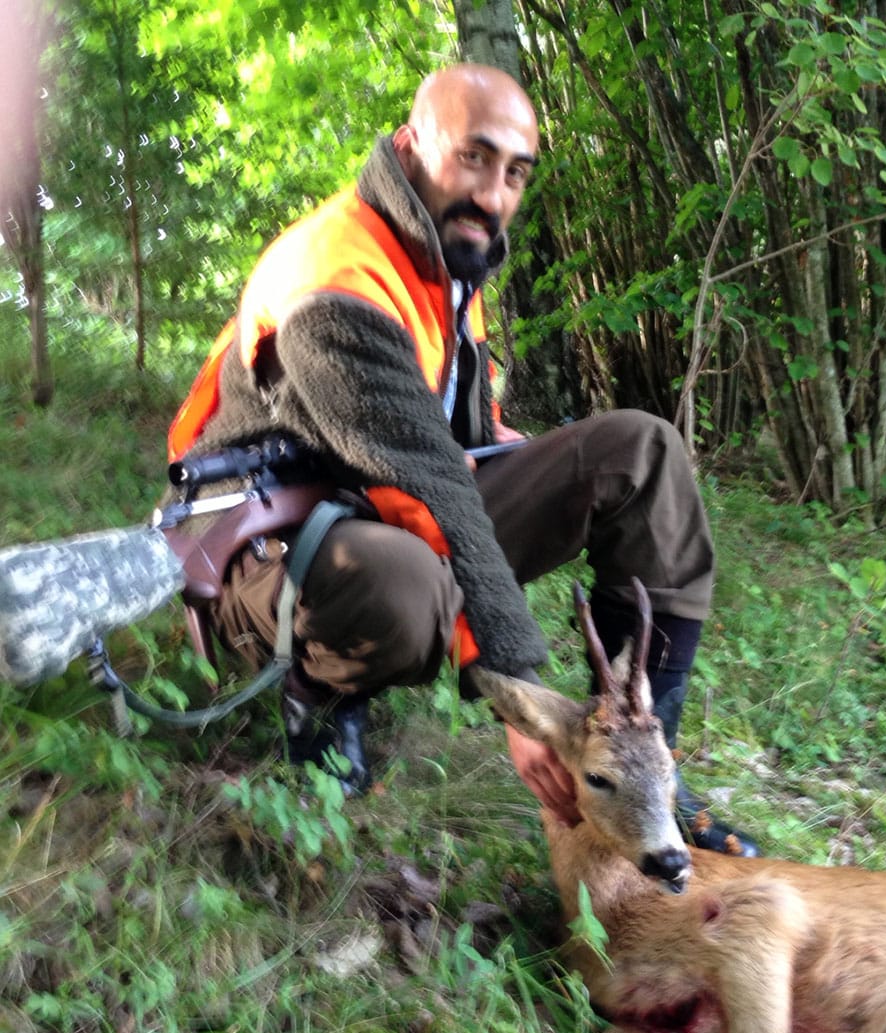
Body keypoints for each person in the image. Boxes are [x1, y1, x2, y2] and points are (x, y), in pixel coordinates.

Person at [166, 62, 758, 856]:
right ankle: (319, 695)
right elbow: (435, 485)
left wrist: (533, 461)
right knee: (403, 588)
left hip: (376, 504)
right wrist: (522, 698)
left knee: (641, 454)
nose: (494, 192)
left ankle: (638, 755)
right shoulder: (335, 280)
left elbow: (463, 435)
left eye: (516, 172)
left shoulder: (448, 260)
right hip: (260, 546)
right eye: (473, 158)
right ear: (410, 147)